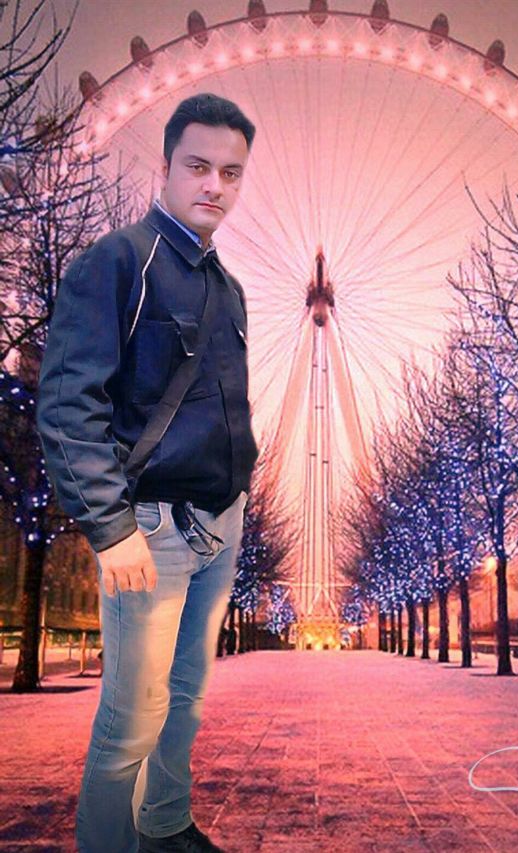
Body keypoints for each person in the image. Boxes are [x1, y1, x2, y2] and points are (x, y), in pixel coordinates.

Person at [36, 93, 260, 853]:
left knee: (186, 699)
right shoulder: (117, 262)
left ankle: (164, 826)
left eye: (231, 172)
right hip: (151, 529)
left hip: (221, 521)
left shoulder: (227, 288)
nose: (214, 185)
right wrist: (111, 527)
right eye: (198, 166)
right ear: (166, 165)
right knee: (131, 717)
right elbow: (68, 403)